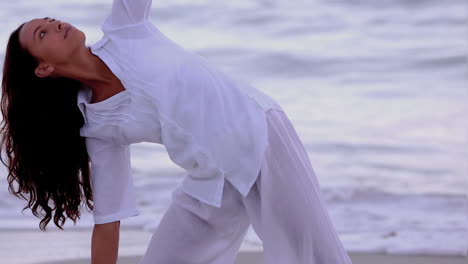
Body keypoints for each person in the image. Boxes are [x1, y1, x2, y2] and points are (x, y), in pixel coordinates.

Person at [1, 0, 353, 263]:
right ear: (44, 68)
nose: (55, 24)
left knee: (317, 256)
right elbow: (109, 218)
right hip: (212, 180)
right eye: (42, 33)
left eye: (49, 19)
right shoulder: (97, 125)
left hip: (261, 136)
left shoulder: (126, 30)